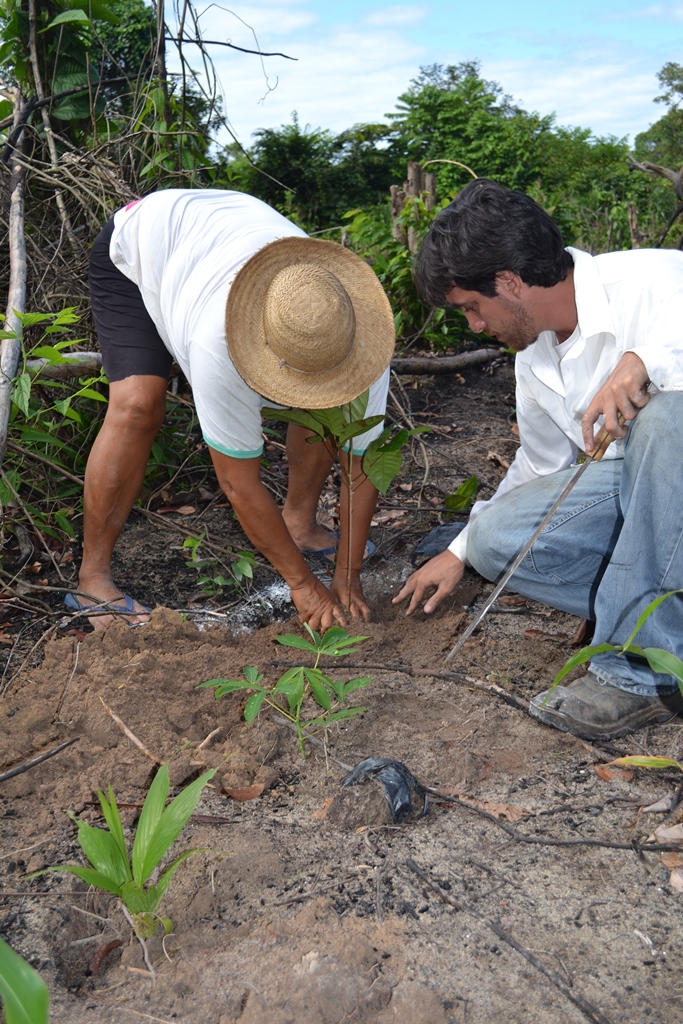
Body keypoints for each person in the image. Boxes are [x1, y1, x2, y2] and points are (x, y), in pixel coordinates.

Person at [393, 178, 683, 740]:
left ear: (510, 281)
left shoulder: (654, 277)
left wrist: (644, 360)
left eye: (473, 308)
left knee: (665, 420)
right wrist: (461, 550)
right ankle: (663, 618)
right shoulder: (536, 359)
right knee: (496, 537)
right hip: (657, 515)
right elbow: (542, 469)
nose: (476, 327)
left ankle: (639, 670)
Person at [68, 189, 394, 631]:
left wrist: (348, 573)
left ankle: (299, 524)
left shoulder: (357, 333)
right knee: (137, 406)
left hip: (226, 235)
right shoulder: (218, 343)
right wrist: (303, 585)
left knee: (325, 410)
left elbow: (362, 465)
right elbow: (237, 482)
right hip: (142, 245)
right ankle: (92, 579)